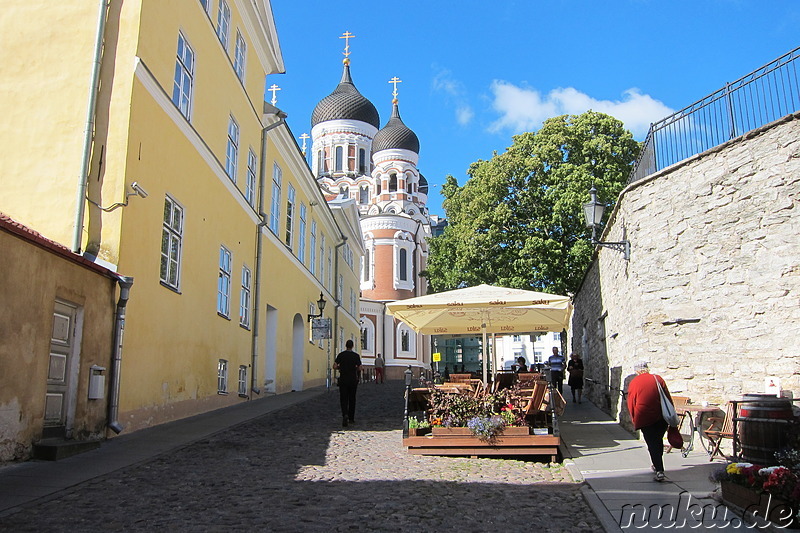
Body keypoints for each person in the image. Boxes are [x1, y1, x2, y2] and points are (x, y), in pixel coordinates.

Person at [627, 361, 674, 482]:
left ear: (637, 370)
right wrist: (671, 413)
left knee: (652, 443)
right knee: (657, 441)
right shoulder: (657, 378)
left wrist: (634, 418)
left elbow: (631, 402)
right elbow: (667, 397)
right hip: (661, 416)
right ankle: (657, 464)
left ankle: (659, 470)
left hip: (645, 417)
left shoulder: (634, 382)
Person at [333, 339, 362, 427]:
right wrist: (354, 369)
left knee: (343, 398)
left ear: (346, 346)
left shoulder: (341, 355)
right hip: (353, 380)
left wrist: (339, 368)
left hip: (343, 379)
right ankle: (351, 418)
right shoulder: (356, 356)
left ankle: (344, 414)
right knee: (352, 398)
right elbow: (360, 368)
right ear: (352, 346)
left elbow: (334, 366)